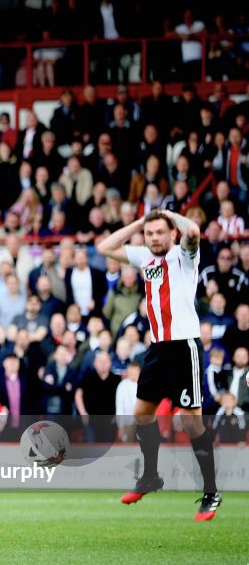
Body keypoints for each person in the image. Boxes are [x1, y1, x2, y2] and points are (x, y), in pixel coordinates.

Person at [97, 209, 221, 520]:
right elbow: (105, 248)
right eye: (149, 233)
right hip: (158, 349)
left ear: (171, 234)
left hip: (185, 347)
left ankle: (211, 491)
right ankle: (150, 476)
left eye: (159, 232)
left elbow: (193, 229)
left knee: (191, 422)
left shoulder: (184, 255)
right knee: (141, 414)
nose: (154, 238)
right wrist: (140, 222)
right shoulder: (143, 257)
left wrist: (166, 214)